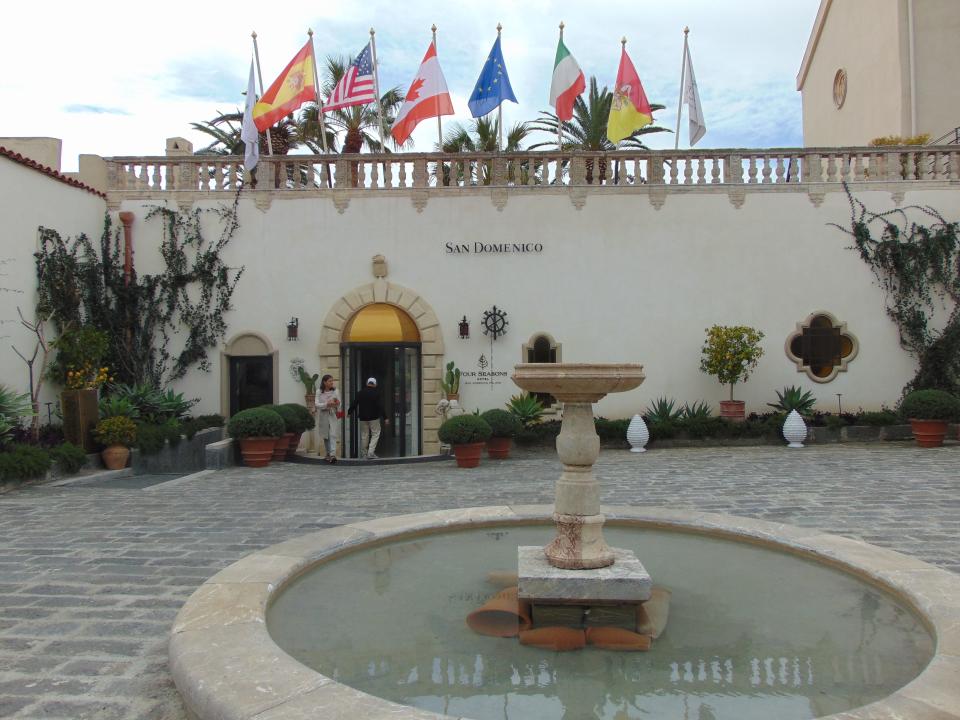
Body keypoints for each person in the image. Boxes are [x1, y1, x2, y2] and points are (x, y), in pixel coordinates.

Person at [349, 377, 389, 459]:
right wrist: (385, 417)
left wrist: (349, 412)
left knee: (364, 435)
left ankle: (364, 453)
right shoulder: (376, 393)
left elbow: (354, 403)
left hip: (363, 417)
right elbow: (380, 406)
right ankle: (371, 452)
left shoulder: (360, 393)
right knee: (376, 433)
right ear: (375, 384)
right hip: (374, 417)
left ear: (367, 383)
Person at [313, 374, 340, 463]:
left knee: (333, 434)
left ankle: (333, 454)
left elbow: (339, 403)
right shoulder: (319, 391)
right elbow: (316, 404)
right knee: (326, 435)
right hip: (323, 415)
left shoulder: (335, 391)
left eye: (332, 381)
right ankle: (328, 453)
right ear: (324, 382)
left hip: (332, 414)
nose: (332, 382)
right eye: (329, 381)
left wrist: (336, 403)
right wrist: (326, 404)